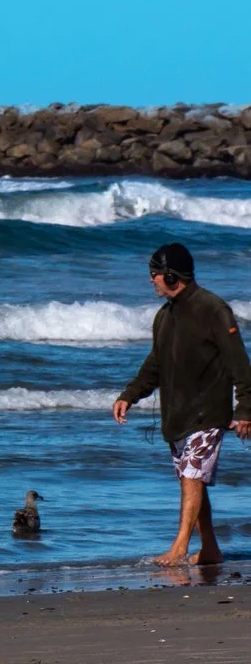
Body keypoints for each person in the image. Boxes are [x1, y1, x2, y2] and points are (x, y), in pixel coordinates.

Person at [113, 242, 251, 569]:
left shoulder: (213, 310)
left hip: (208, 413)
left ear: (172, 276)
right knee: (193, 482)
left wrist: (246, 408)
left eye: (155, 274)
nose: (151, 281)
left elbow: (240, 365)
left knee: (192, 476)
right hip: (178, 415)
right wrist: (129, 395)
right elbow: (154, 365)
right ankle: (211, 550)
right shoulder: (164, 317)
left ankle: (179, 548)